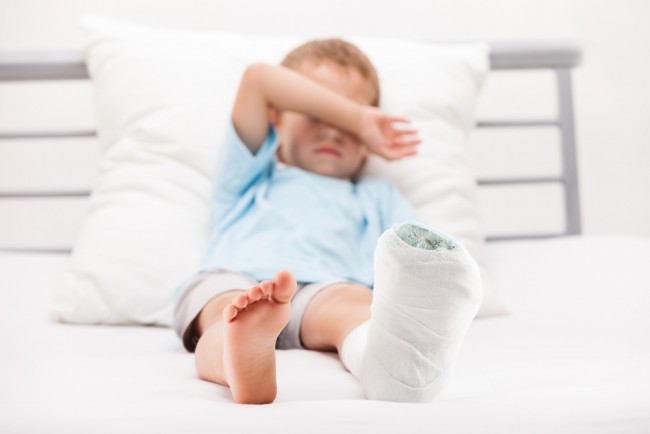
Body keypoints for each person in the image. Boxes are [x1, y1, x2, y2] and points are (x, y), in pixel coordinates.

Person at [173, 38, 483, 405]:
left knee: (353, 303)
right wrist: (356, 118)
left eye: (347, 119)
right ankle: (239, 360)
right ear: (276, 117)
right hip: (234, 277)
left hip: (325, 290)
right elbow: (259, 79)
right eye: (319, 111)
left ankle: (388, 366)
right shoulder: (249, 176)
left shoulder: (377, 195)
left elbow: (416, 264)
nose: (333, 129)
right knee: (224, 314)